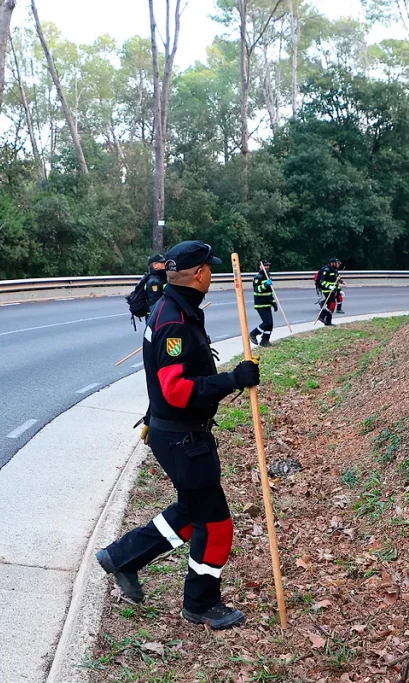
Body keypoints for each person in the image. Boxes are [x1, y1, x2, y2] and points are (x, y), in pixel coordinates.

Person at [96, 240, 261, 631]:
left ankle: (122, 557)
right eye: (210, 268)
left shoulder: (175, 309)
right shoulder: (173, 320)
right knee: (216, 524)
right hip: (182, 440)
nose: (212, 274)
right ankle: (201, 603)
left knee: (190, 514)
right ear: (200, 273)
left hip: (177, 435)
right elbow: (177, 390)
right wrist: (232, 379)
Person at [125, 255, 168, 329]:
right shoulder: (154, 282)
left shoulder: (159, 279)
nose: (165, 264)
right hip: (155, 318)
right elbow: (154, 304)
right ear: (155, 266)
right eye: (162, 262)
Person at [249, 260, 278, 347]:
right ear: (261, 267)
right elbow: (257, 290)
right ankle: (253, 334)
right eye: (265, 266)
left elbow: (270, 292)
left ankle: (265, 340)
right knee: (266, 323)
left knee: (270, 324)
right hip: (260, 304)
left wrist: (274, 303)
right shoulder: (258, 277)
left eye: (268, 266)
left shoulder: (268, 276)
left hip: (267, 303)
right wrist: (266, 284)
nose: (267, 267)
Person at [317, 257, 343, 326]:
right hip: (326, 289)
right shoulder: (326, 270)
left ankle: (328, 321)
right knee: (332, 304)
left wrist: (339, 290)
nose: (338, 265)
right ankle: (322, 316)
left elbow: (336, 282)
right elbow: (322, 281)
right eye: (337, 263)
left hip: (333, 290)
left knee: (331, 305)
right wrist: (329, 286)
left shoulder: (335, 270)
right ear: (332, 263)